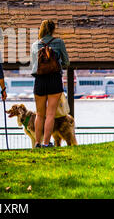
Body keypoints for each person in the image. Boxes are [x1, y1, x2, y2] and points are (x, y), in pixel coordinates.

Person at [30, 19, 69, 148]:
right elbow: (66, 62)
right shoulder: (59, 42)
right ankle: (46, 143)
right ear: (53, 30)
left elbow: (34, 66)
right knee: (50, 114)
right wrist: (57, 65)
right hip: (54, 80)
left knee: (39, 114)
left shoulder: (35, 45)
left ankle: (37, 143)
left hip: (40, 81)